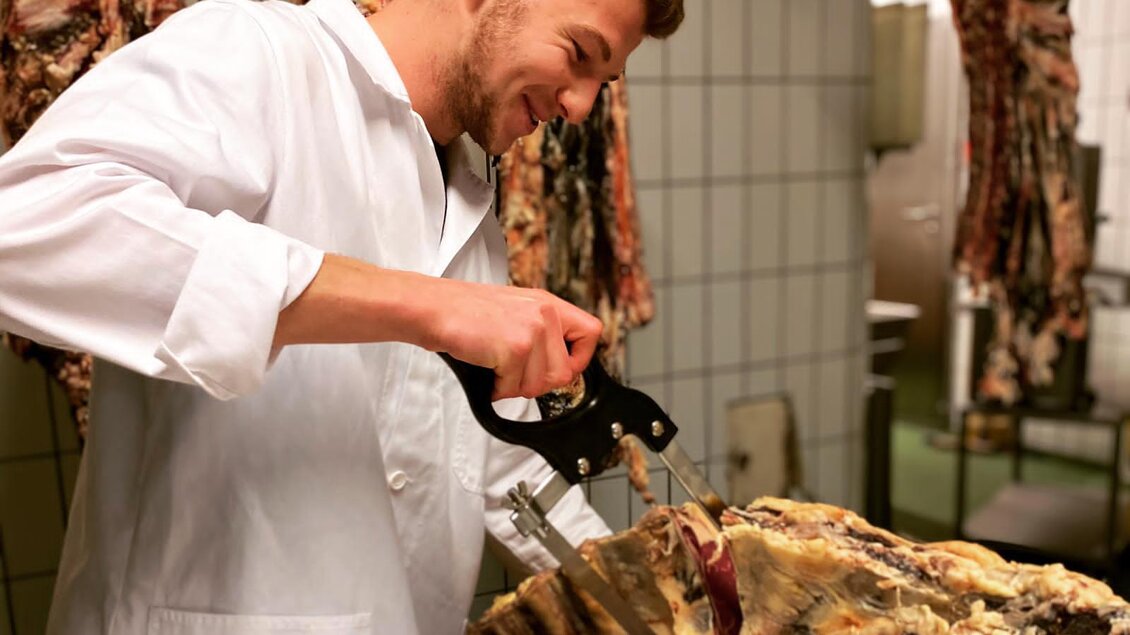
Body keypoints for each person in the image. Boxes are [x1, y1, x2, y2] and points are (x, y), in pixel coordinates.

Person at [0, 0, 683, 631]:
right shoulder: (259, 54)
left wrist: (657, 603)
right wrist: (424, 305)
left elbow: (498, 470)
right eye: (577, 53)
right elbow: (28, 225)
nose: (581, 105)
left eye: (606, 82)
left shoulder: (473, 217)